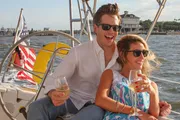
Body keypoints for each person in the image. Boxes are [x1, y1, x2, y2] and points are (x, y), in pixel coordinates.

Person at [27, 3, 171, 120]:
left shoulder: (124, 54)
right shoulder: (78, 52)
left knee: (94, 113)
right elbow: (56, 78)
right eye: (106, 27)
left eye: (115, 28)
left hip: (100, 106)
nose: (111, 32)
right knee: (35, 107)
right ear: (96, 28)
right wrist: (53, 92)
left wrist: (157, 103)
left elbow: (136, 80)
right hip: (72, 99)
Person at [95, 34, 163, 120]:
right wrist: (137, 112)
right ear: (123, 54)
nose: (142, 57)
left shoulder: (151, 85)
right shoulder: (111, 74)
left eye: (144, 53)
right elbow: (100, 99)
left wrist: (152, 93)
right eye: (137, 53)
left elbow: (154, 115)